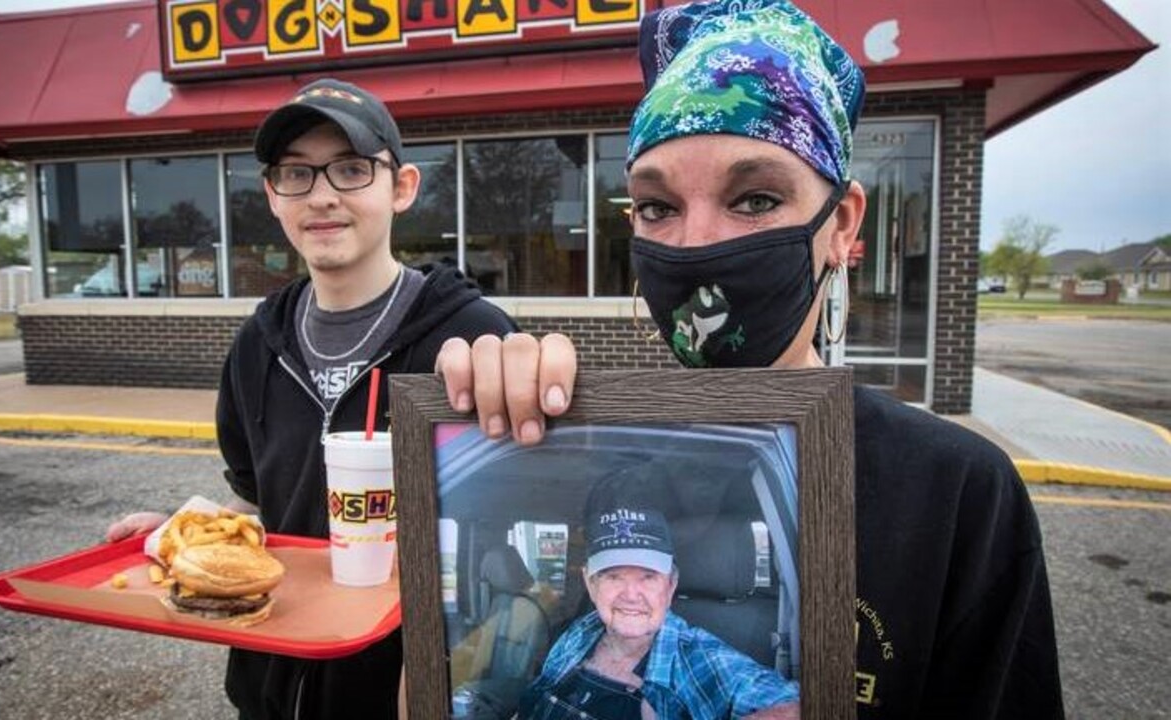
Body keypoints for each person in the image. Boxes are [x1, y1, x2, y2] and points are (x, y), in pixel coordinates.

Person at [435, 2, 1065, 718]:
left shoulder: (954, 492)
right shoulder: (614, 466)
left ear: (842, 225)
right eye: (657, 207)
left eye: (756, 198)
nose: (697, 244)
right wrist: (462, 442)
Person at [108, 77, 518, 719]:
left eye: (351, 169)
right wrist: (185, 538)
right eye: (297, 174)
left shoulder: (472, 337)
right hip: (269, 684)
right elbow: (256, 505)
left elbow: (511, 523)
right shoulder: (257, 344)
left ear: (401, 187)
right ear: (273, 196)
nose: (322, 195)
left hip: (402, 693)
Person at [519, 505, 798, 720]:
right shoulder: (580, 632)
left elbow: (799, 707)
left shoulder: (697, 658)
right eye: (614, 576)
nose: (631, 595)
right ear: (590, 584)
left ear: (671, 585)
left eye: (648, 577)